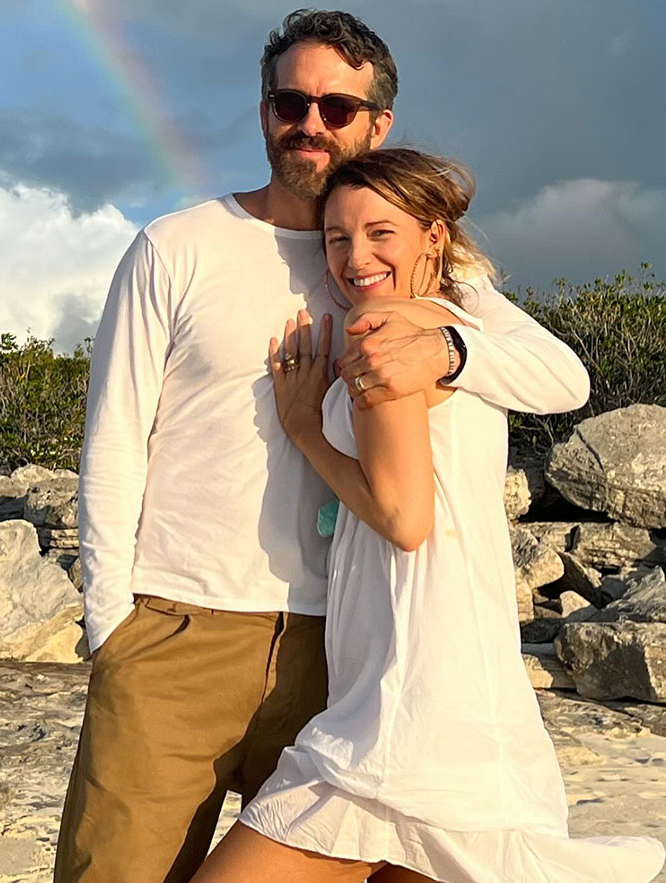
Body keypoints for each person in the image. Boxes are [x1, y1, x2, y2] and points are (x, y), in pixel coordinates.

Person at [54, 10, 593, 883]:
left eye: (337, 108)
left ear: (377, 123)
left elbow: (562, 377)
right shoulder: (177, 246)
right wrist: (111, 624)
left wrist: (448, 349)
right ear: (265, 111)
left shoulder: (424, 270)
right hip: (176, 630)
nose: (310, 123)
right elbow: (112, 439)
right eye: (290, 102)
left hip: (337, 653)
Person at [191, 148, 666, 883]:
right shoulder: (461, 324)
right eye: (337, 239)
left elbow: (402, 516)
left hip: (404, 697)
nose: (355, 257)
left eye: (381, 233)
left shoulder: (381, 326)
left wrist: (306, 432)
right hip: (461, 674)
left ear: (432, 237)